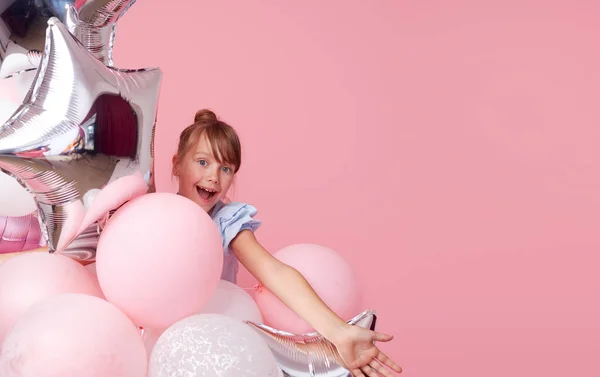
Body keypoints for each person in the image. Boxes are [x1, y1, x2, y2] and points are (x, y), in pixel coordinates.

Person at [148, 109, 402, 377]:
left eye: (226, 168)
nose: (214, 176)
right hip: (155, 344)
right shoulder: (150, 215)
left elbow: (273, 271)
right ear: (176, 164)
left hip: (215, 346)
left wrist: (338, 331)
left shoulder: (225, 220)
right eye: (202, 162)